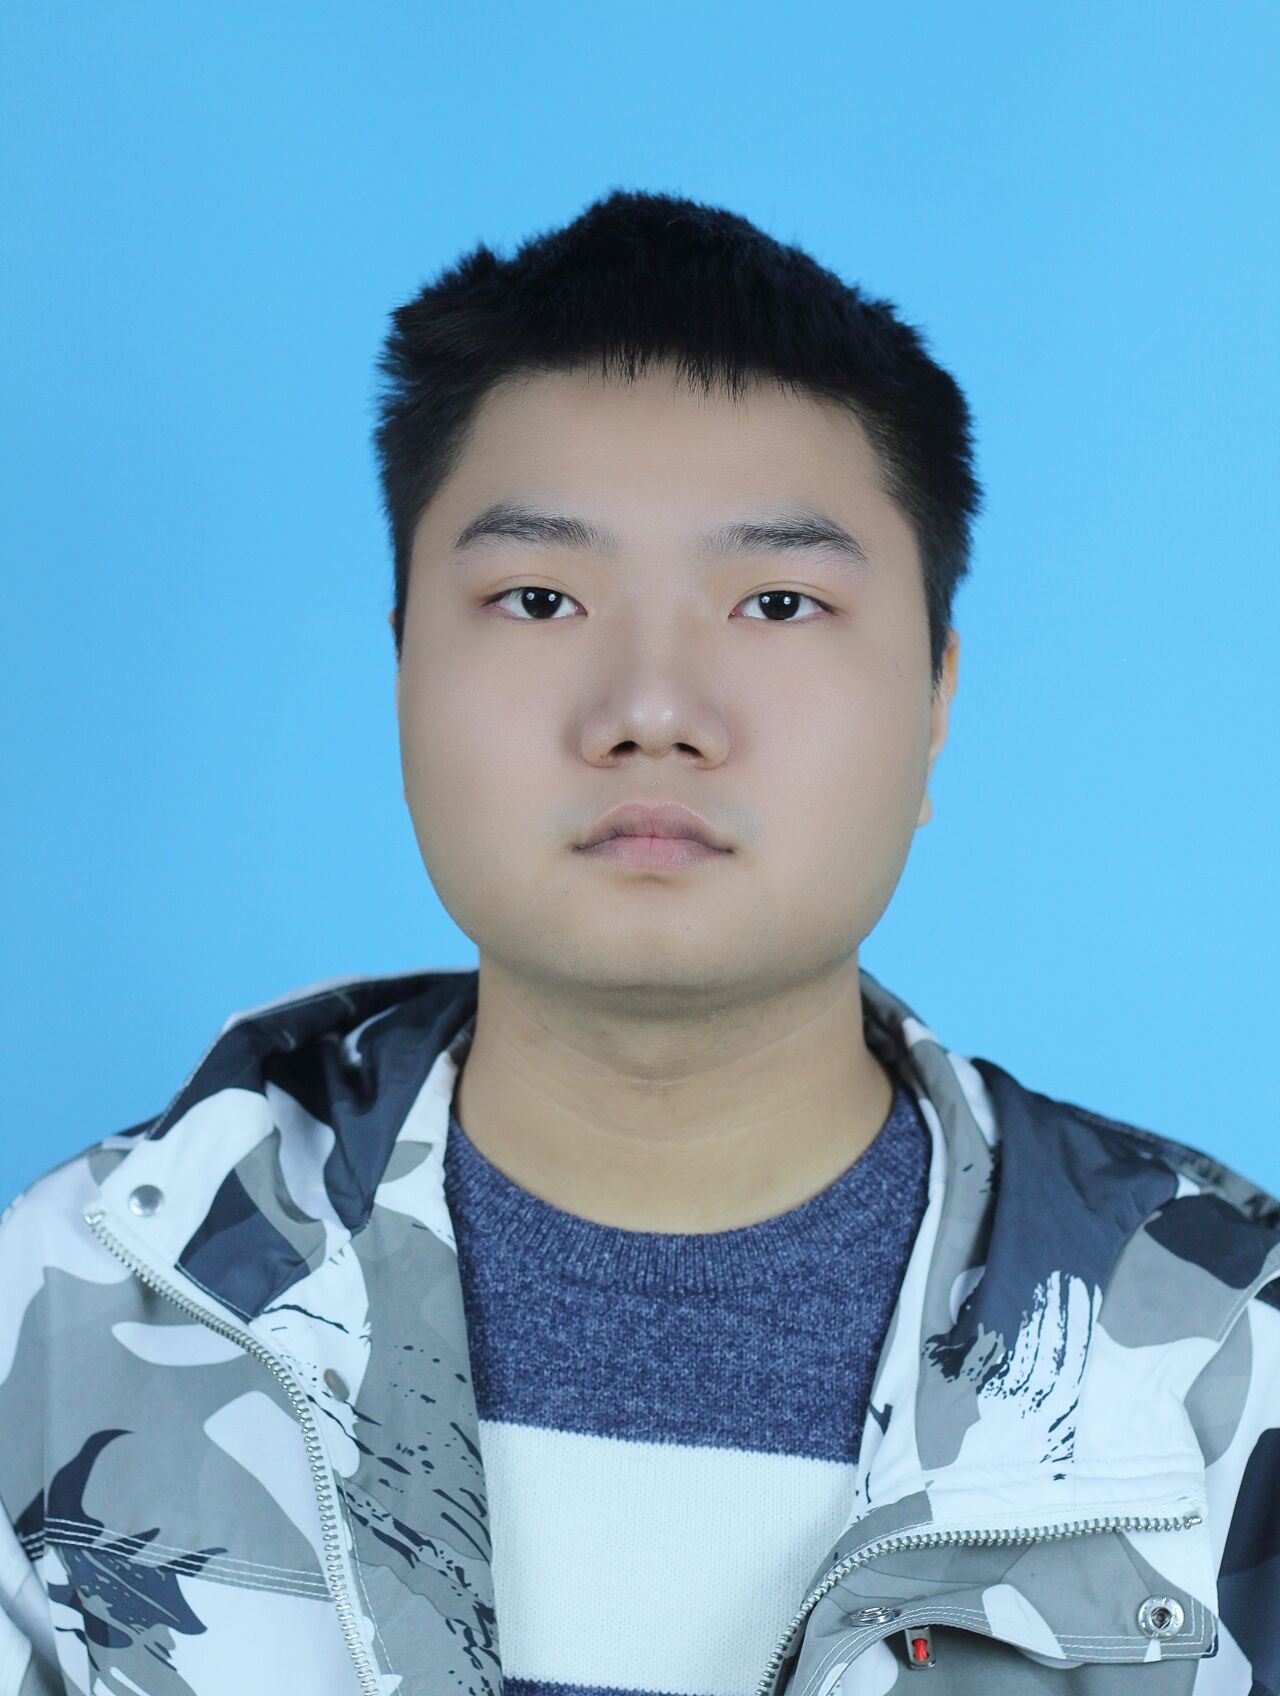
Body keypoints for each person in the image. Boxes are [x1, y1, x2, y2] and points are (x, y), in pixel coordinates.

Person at [1, 188, 1276, 1696]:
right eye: (540, 597)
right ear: (404, 667)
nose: (653, 710)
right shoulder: (64, 1314)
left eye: (778, 602)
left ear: (936, 697)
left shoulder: (1227, 1362)